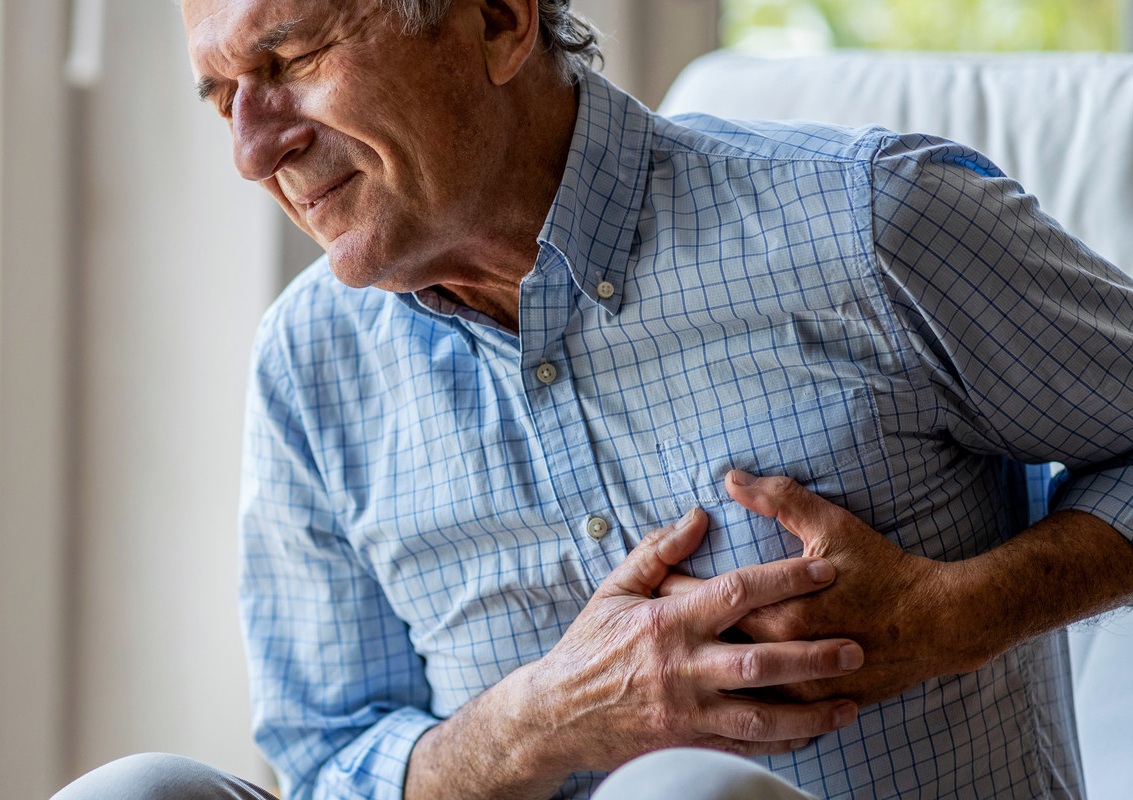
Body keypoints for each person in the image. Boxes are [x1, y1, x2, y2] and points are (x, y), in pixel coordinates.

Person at [55, 0, 1133, 797]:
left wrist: (952, 616)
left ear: (496, 21)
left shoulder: (871, 226)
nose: (252, 148)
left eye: (289, 59)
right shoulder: (309, 361)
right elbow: (329, 758)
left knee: (684, 791)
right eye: (220, 97)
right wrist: (541, 719)